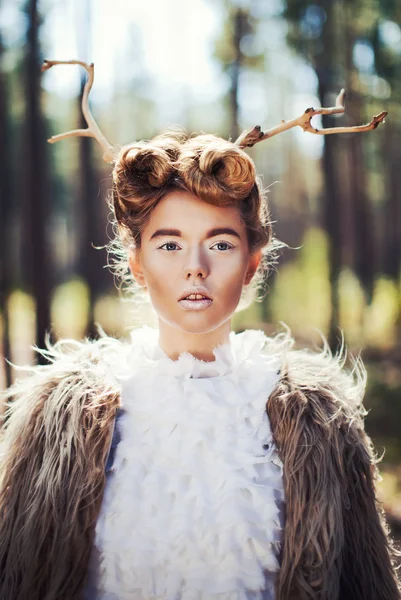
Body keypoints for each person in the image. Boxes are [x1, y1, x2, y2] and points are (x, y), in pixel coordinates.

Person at [0, 62, 400, 600]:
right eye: (169, 244)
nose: (195, 267)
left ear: (254, 262)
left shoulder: (321, 424)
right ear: (136, 263)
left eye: (220, 244)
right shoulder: (57, 424)